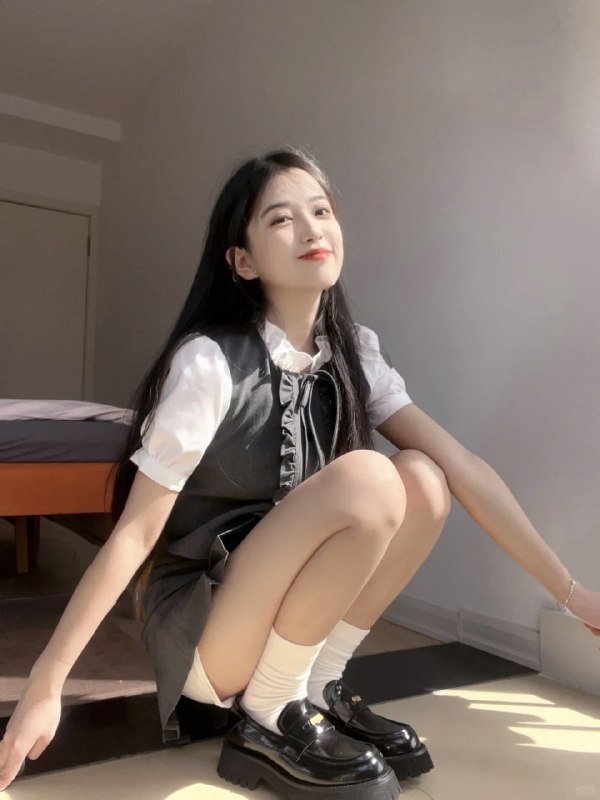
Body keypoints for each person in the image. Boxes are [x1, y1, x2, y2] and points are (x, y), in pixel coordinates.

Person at [1, 146, 599, 799]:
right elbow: (135, 534)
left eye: (321, 211)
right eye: (281, 219)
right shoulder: (210, 363)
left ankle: (317, 687)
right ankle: (269, 708)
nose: (312, 229)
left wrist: (574, 597)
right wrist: (46, 684)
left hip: (276, 605)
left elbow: (464, 468)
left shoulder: (355, 352)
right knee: (369, 477)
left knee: (425, 479)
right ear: (243, 261)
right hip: (206, 629)